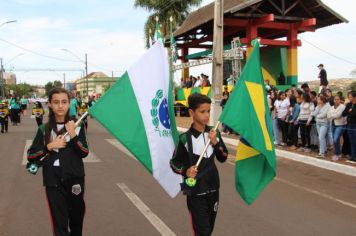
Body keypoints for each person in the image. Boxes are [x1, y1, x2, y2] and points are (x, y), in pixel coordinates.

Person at [27, 87, 89, 236]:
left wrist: (73, 135)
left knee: (76, 221)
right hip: (53, 181)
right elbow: (31, 156)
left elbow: (84, 152)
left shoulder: (78, 127)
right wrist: (49, 146)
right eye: (56, 102)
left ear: (69, 104)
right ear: (49, 104)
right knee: (59, 224)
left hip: (75, 179)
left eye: (64, 102)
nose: (60, 106)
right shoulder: (44, 129)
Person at [170, 93, 228, 236]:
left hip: (214, 189)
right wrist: (186, 171)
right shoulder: (184, 139)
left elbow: (223, 157)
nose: (206, 115)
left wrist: (215, 143)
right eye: (202, 112)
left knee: (209, 229)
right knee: (203, 232)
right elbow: (174, 163)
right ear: (191, 112)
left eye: (208, 111)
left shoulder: (214, 134)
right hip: (196, 192)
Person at [327, 95, 346, 161]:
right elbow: (328, 115)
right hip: (332, 124)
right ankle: (337, 153)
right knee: (335, 140)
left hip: (340, 125)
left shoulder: (343, 107)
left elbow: (338, 115)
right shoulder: (331, 107)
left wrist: (332, 116)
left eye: (338, 99)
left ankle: (337, 153)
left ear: (340, 100)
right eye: (335, 99)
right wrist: (333, 116)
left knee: (335, 139)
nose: (336, 100)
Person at [342, 90, 356, 162]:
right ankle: (353, 156)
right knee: (351, 140)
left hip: (355, 125)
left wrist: (349, 112)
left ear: (354, 97)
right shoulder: (348, 105)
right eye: (348, 97)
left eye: (350, 97)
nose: (349, 98)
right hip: (349, 124)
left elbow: (354, 114)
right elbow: (343, 113)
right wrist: (349, 111)